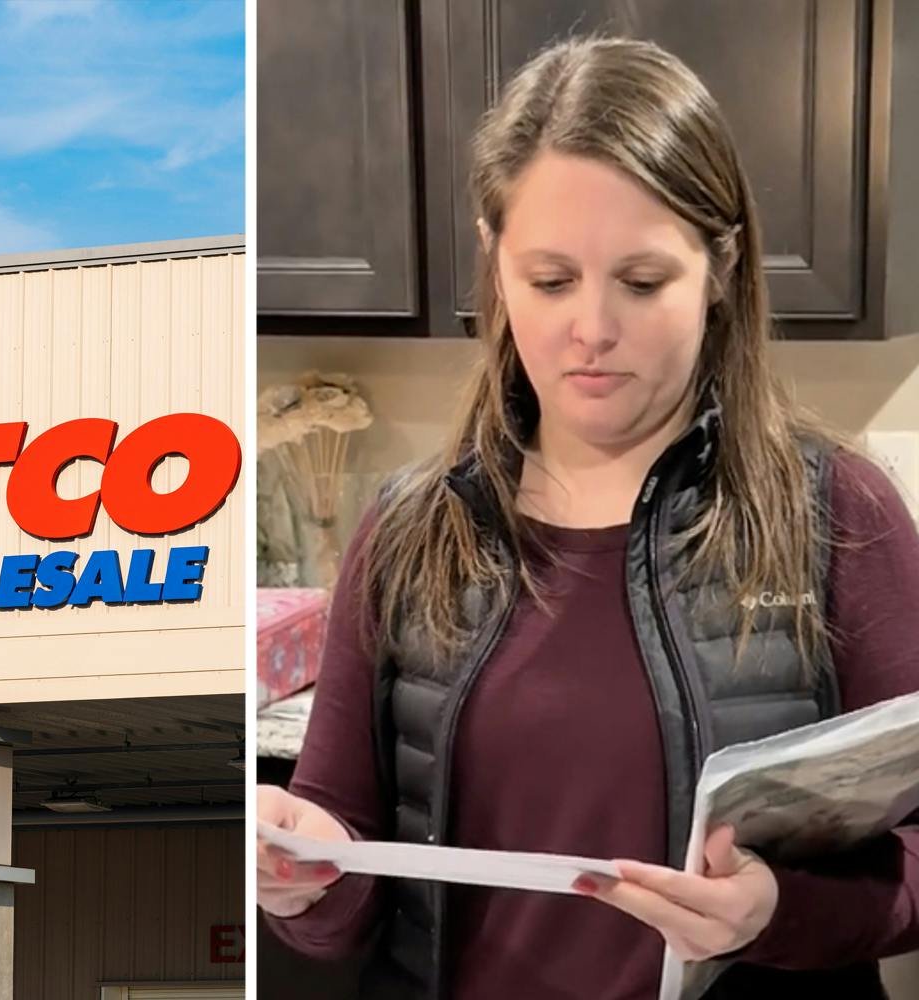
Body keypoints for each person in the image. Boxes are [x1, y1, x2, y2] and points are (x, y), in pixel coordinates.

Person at [256, 37, 919, 1000]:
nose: (592, 329)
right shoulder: (406, 531)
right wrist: (299, 876)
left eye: (643, 282)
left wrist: (780, 910)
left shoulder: (837, 513)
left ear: (722, 268)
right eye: (551, 280)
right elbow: (342, 883)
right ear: (495, 264)